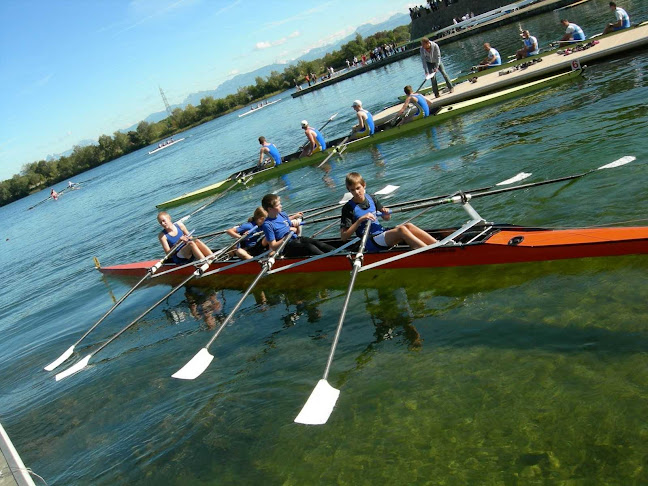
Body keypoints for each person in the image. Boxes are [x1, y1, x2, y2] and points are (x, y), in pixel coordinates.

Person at [340, 172, 438, 253]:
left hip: (382, 232)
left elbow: (386, 218)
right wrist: (360, 219)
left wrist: (386, 214)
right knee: (402, 230)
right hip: (369, 240)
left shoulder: (371, 198)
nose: (356, 192)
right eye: (352, 190)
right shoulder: (348, 208)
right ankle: (429, 252)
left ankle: (437, 245)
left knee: (409, 226)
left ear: (364, 185)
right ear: (349, 190)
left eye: (358, 188)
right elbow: (344, 237)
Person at [261, 193, 336, 258]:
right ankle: (332, 260)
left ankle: (340, 252)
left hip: (295, 239)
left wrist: (295, 222)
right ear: (270, 209)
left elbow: (293, 227)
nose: (281, 206)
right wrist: (285, 238)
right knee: (309, 247)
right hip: (286, 247)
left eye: (280, 203)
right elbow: (273, 246)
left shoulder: (282, 214)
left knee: (317, 243)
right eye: (278, 205)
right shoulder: (267, 225)